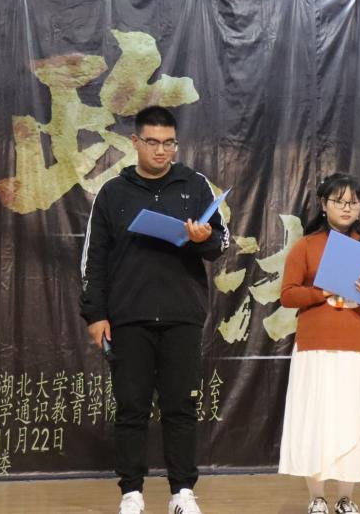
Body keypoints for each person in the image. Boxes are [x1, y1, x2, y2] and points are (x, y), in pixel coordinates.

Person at [79, 105, 229, 514]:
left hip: (182, 315)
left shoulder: (194, 185)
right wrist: (96, 314)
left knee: (181, 406)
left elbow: (220, 243)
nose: (161, 151)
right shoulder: (113, 192)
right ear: (135, 142)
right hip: (128, 317)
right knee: (132, 407)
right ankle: (131, 493)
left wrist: (201, 237)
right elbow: (94, 258)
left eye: (169, 143)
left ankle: (182, 492)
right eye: (152, 142)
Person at [278, 173, 360, 514]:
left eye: (353, 202)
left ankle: (345, 498)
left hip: (357, 347)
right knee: (315, 421)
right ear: (323, 204)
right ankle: (316, 497)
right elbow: (287, 295)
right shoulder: (306, 245)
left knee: (352, 422)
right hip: (315, 347)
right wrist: (322, 291)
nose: (346, 207)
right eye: (338, 201)